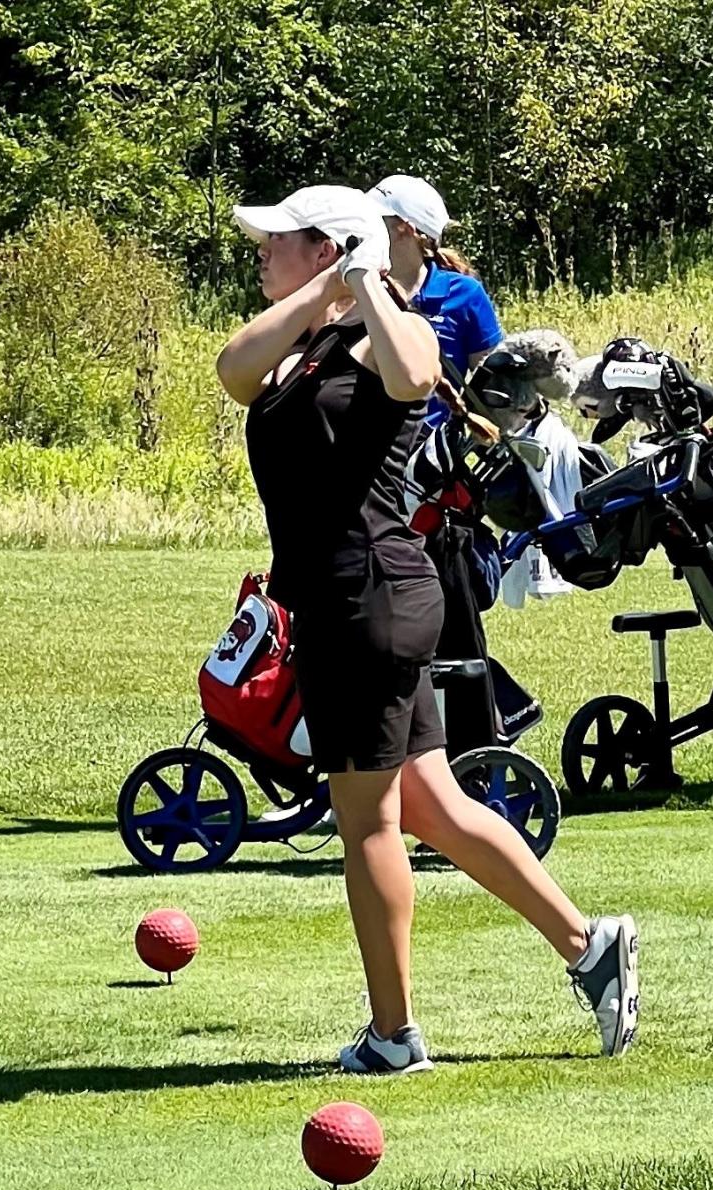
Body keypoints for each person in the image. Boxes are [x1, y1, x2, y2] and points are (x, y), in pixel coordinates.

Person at [216, 183, 640, 1073]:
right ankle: (588, 944)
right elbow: (233, 370)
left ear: (327, 244)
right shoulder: (304, 344)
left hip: (364, 602)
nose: (259, 251)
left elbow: (414, 372)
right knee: (434, 806)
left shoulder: (379, 333)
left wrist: (364, 281)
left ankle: (394, 1033)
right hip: (360, 600)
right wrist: (323, 290)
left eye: (277, 240)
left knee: (368, 823)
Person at [368, 174, 503, 438]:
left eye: (374, 220)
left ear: (404, 229)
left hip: (431, 460)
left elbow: (494, 381)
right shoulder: (358, 289)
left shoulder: (465, 294)